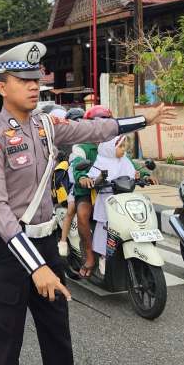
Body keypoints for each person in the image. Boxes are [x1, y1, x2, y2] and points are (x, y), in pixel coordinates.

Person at [0, 41, 174, 365]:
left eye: (37, 79)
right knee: (4, 351)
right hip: (7, 253)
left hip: (45, 243)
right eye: (23, 79)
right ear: (2, 86)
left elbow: (94, 131)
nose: (34, 86)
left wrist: (144, 120)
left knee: (59, 344)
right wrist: (38, 268)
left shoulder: (47, 126)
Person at [67, 105, 149, 277]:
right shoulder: (82, 146)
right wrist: (83, 177)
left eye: (106, 122)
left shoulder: (114, 141)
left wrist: (144, 175)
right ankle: (89, 255)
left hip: (112, 191)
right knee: (82, 214)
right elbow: (76, 164)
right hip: (88, 190)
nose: (102, 127)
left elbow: (128, 164)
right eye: (98, 123)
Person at [85, 136, 152, 274]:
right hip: (107, 200)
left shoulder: (125, 160)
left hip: (124, 199)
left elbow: (132, 174)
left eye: (124, 146)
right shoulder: (102, 161)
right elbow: (93, 179)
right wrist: (100, 179)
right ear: (110, 147)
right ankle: (103, 256)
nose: (124, 150)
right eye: (120, 146)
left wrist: (139, 177)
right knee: (105, 227)